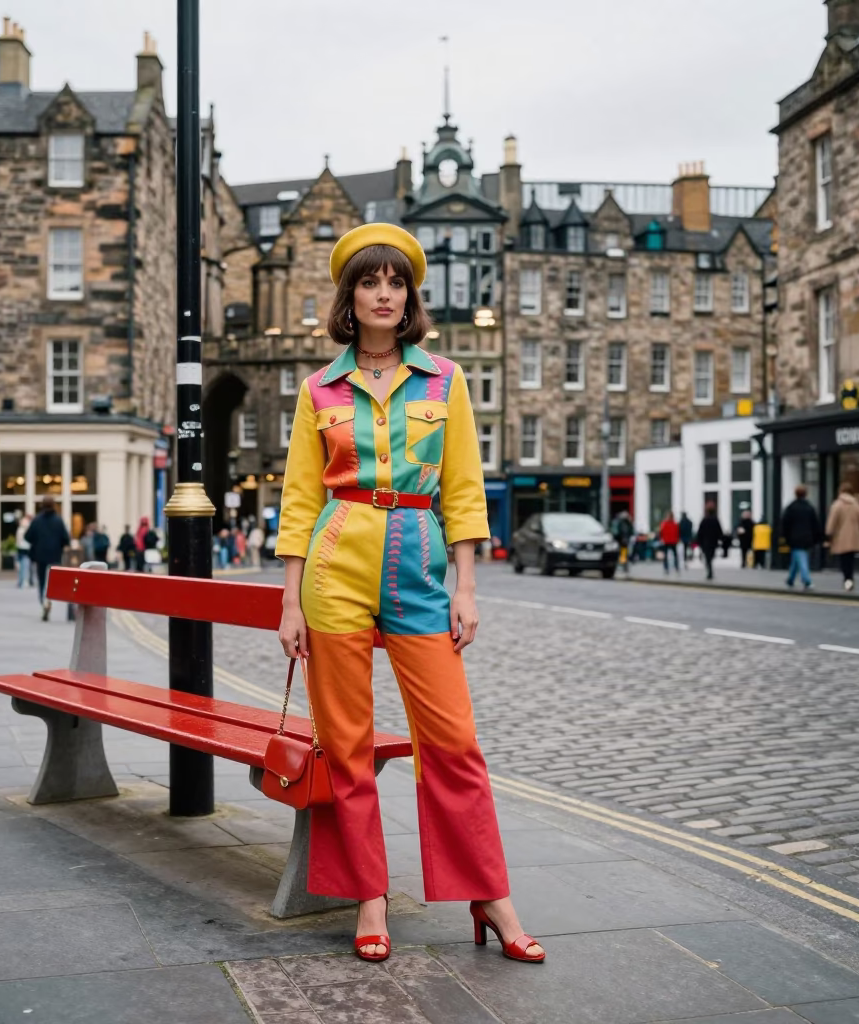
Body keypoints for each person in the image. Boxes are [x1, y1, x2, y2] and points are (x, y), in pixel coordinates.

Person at [275, 223, 543, 965]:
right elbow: (300, 499)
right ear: (350, 299)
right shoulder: (318, 389)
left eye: (396, 283)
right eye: (370, 282)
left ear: (409, 297)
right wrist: (290, 598)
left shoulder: (445, 381)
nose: (385, 294)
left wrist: (467, 584)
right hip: (336, 567)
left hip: (422, 568)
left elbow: (462, 488)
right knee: (349, 747)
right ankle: (368, 894)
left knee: (454, 742)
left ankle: (489, 894)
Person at [24, 495, 70, 620]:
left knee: (42, 580)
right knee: (52, 582)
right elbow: (66, 539)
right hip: (55, 555)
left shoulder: (37, 520)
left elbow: (27, 537)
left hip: (40, 555)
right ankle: (49, 599)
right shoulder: (58, 521)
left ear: (42, 505)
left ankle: (43, 602)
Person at [825, 482, 859, 591]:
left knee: (844, 560)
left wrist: (828, 534)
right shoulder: (856, 505)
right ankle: (849, 579)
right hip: (854, 538)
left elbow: (831, 523)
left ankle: (847, 580)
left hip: (841, 538)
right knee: (850, 560)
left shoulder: (837, 505)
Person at [781, 485, 821, 591]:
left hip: (794, 537)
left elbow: (785, 523)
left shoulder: (791, 507)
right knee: (800, 557)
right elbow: (815, 524)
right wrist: (817, 538)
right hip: (807, 537)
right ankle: (805, 580)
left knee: (798, 558)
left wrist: (785, 537)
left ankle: (795, 579)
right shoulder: (810, 507)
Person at [696, 502, 724, 581]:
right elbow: (720, 531)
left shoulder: (704, 520)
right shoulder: (715, 520)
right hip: (713, 542)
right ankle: (710, 572)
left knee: (707, 558)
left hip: (705, 542)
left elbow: (700, 532)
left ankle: (709, 572)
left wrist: (699, 542)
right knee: (710, 557)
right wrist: (721, 539)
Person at [612, 510, 634, 577]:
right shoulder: (623, 523)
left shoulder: (623, 523)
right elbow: (629, 532)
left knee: (623, 554)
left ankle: (623, 566)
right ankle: (623, 566)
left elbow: (630, 531)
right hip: (623, 541)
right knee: (623, 554)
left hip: (623, 541)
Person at [15, 513, 32, 588]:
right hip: (25, 548)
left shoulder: (20, 528)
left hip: (20, 548)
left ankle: (21, 581)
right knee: (25, 566)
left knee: (22, 566)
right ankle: (24, 582)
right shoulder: (27, 525)